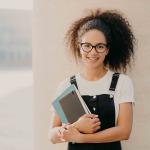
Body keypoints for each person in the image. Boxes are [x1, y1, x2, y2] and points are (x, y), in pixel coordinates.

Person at [48, 9, 136, 150]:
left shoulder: (122, 82)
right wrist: (76, 126)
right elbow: (52, 136)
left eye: (99, 46)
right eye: (87, 46)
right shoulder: (66, 85)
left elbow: (124, 132)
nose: (93, 52)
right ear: (79, 47)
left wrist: (81, 138)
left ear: (107, 50)